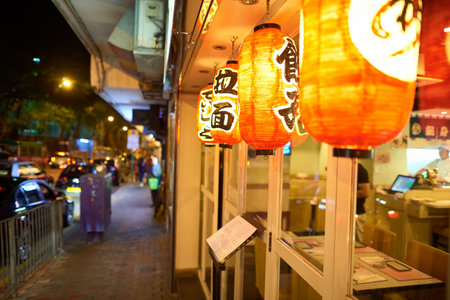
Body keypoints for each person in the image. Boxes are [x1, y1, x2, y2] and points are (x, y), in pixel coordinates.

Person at [355, 163, 370, 243]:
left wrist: (345, 194)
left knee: (356, 244)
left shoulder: (359, 169)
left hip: (357, 213)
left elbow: (365, 192)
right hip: (346, 213)